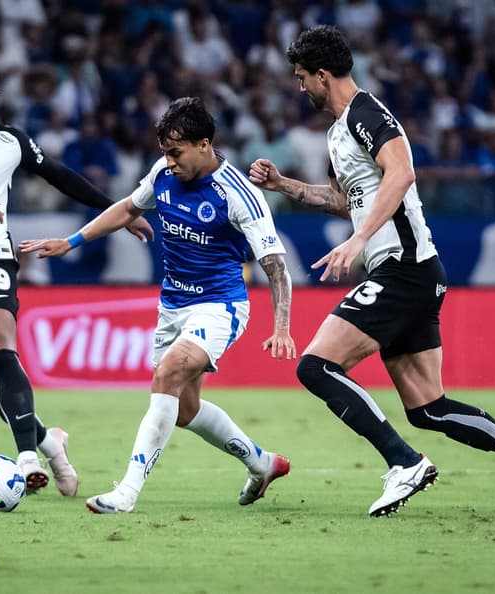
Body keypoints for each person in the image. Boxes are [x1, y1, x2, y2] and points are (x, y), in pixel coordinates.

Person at [248, 25, 495, 517]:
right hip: (413, 273)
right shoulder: (338, 132)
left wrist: (359, 240)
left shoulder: (367, 112)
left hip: (403, 268)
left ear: (323, 74)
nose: (300, 87)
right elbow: (344, 201)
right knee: (429, 408)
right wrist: (283, 185)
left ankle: (404, 463)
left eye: (301, 77)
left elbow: (402, 172)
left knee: (315, 366)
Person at [20, 97, 296, 514]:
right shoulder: (163, 173)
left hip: (219, 306)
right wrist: (71, 241)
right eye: (165, 152)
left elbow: (275, 266)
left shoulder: (240, 195)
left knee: (168, 374)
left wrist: (282, 326)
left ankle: (126, 493)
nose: (169, 162)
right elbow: (128, 208)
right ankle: (261, 463)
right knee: (184, 410)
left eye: (176, 152)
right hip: (172, 306)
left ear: (204, 144)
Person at [0, 61, 153, 496]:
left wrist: (120, 212)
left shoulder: (10, 141)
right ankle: (50, 444)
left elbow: (61, 177)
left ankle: (26, 459)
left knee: (1, 347)